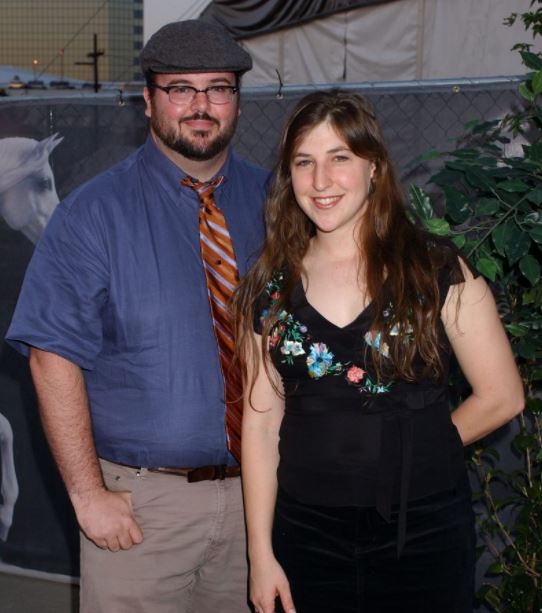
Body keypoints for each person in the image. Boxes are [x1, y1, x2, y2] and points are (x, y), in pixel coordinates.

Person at [6, 20, 267, 613]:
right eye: (181, 88)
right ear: (148, 100)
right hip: (143, 511)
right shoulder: (92, 214)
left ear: (236, 100)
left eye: (218, 88)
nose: (201, 105)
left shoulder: (276, 201)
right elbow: (51, 358)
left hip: (264, 501)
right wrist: (88, 494)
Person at [234, 90, 524, 613]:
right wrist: (260, 555)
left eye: (339, 158)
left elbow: (502, 397)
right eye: (304, 162)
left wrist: (414, 450)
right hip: (306, 536)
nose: (321, 181)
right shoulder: (267, 288)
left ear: (373, 167)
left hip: (425, 535)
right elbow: (259, 424)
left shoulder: (435, 268)